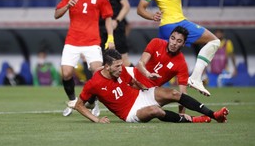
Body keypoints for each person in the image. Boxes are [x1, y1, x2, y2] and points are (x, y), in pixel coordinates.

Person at [137, 0, 220, 97]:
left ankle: (136, 92)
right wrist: (151, 16)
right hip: (173, 24)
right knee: (214, 41)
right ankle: (196, 78)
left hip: (171, 26)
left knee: (159, 68)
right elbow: (140, 9)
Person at [74, 49, 229, 124]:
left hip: (140, 95)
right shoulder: (94, 83)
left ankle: (213, 114)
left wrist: (142, 86)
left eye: (121, 65)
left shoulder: (119, 72)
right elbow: (79, 105)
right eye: (117, 66)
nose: (121, 69)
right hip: (131, 112)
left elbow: (132, 82)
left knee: (173, 93)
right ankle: (194, 120)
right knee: (156, 110)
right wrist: (97, 120)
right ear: (107, 67)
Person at [54, 0, 114, 117]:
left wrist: (111, 38)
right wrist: (67, 6)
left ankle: (92, 102)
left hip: (92, 42)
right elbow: (56, 15)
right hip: (72, 41)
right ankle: (73, 101)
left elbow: (108, 18)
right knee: (66, 74)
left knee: (97, 71)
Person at [128, 25, 190, 114]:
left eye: (179, 41)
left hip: (150, 92)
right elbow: (140, 63)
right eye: (172, 38)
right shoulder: (156, 42)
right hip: (133, 77)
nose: (174, 43)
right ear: (169, 37)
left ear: (183, 44)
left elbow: (183, 94)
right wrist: (148, 74)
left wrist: (182, 114)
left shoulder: (182, 63)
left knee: (173, 94)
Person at [92, 0, 132, 67]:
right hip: (99, 29)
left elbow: (126, 6)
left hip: (116, 28)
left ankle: (135, 82)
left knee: (123, 60)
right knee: (102, 61)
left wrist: (117, 20)